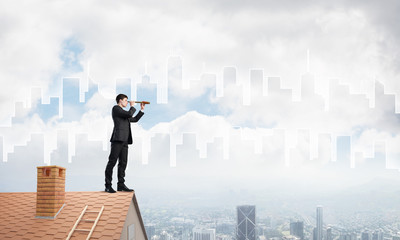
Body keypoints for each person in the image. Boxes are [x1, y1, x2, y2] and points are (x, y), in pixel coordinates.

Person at [105, 94, 145, 193]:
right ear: (120, 100)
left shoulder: (124, 113)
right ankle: (108, 185)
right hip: (117, 139)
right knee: (112, 162)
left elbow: (134, 119)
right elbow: (129, 114)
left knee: (123, 163)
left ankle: (121, 185)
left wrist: (141, 110)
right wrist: (132, 106)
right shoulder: (116, 109)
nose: (127, 102)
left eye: (128, 101)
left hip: (125, 140)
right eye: (126, 100)